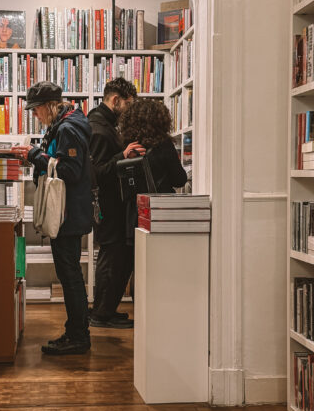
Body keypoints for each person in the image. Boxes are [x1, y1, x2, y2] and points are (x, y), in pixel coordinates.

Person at [11, 82, 93, 356]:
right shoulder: (65, 125)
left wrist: (34, 155)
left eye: (36, 110)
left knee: (70, 275)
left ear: (48, 106)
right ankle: (76, 331)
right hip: (68, 211)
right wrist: (36, 155)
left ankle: (78, 336)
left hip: (67, 213)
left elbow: (69, 170)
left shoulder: (68, 128)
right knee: (69, 274)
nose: (35, 116)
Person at [87, 78, 143, 328]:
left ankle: (105, 309)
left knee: (114, 256)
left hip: (112, 203)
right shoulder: (99, 129)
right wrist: (123, 155)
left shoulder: (104, 124)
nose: (129, 110)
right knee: (112, 256)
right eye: (128, 104)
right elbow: (97, 173)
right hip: (108, 205)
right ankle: (101, 314)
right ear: (115, 100)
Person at [118, 99, 187, 237]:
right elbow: (179, 179)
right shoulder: (164, 145)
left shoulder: (127, 147)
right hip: (160, 212)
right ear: (160, 121)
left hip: (134, 214)